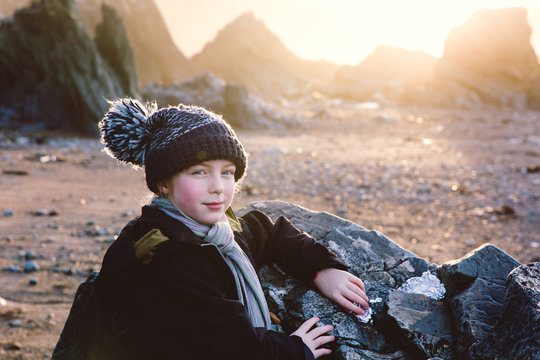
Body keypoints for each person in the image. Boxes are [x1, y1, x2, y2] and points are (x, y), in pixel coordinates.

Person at [90, 98, 369, 359]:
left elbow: (270, 232)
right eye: (199, 171)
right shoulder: (172, 257)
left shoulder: (219, 230)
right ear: (164, 183)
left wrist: (321, 269)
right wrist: (296, 349)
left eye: (227, 172)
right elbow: (234, 344)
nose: (217, 187)